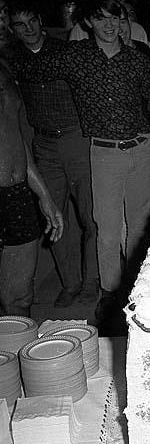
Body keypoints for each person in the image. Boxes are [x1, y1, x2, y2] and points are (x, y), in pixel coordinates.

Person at [16, 0, 150, 334]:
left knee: (140, 227)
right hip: (104, 151)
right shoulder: (75, 56)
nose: (110, 25)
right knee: (107, 229)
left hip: (141, 149)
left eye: (115, 18)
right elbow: (31, 68)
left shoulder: (136, 57)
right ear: (88, 23)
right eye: (101, 19)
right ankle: (110, 295)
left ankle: (141, 291)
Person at [7, 0, 98, 308]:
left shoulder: (65, 51)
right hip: (44, 145)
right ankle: (70, 283)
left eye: (32, 20)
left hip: (76, 139)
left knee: (90, 215)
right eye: (20, 24)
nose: (29, 28)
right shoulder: (10, 61)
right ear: (12, 29)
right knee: (55, 217)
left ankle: (91, 283)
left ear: (41, 21)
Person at [0, 61, 63, 317]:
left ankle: (18, 356)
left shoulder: (4, 67)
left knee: (19, 297)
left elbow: (14, 136)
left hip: (16, 195)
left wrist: (43, 194)